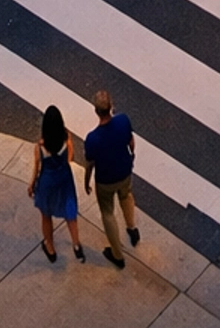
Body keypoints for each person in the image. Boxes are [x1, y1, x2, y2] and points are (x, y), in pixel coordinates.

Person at [83, 91, 140, 269]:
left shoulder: (93, 139)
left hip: (105, 180)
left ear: (96, 111)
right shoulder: (123, 121)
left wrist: (86, 181)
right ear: (111, 105)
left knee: (108, 213)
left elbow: (90, 163)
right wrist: (132, 156)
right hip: (124, 171)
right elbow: (131, 141)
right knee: (126, 196)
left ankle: (117, 254)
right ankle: (132, 228)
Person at [29, 105, 84, 262]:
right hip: (64, 178)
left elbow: (37, 168)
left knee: (46, 215)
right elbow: (70, 156)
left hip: (47, 182)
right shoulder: (67, 139)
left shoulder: (40, 147)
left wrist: (32, 184)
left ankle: (50, 248)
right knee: (70, 211)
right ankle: (76, 245)